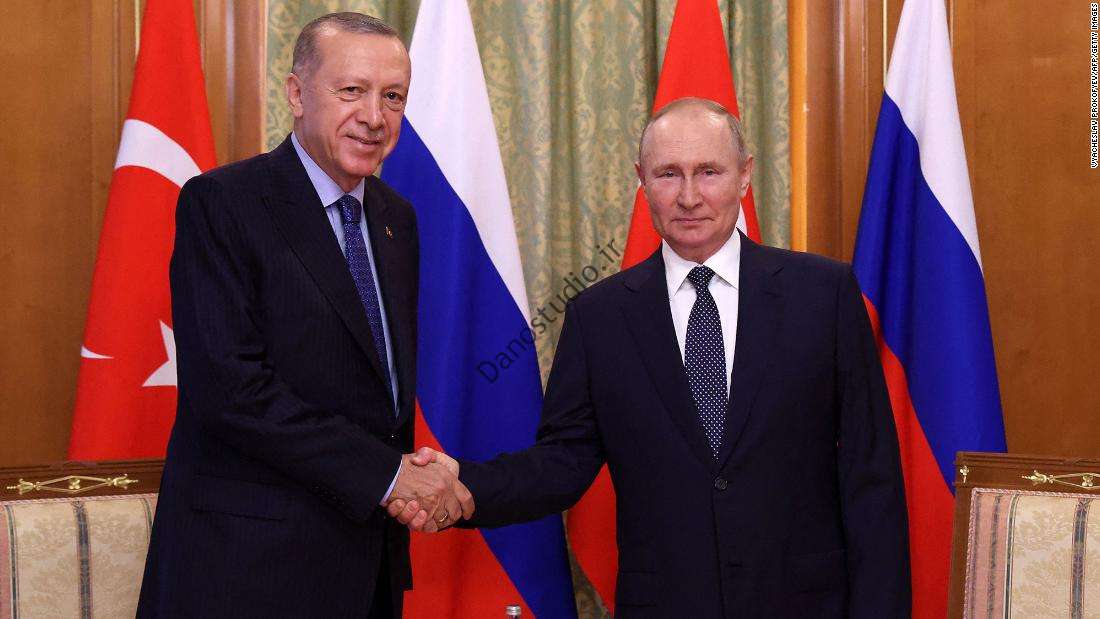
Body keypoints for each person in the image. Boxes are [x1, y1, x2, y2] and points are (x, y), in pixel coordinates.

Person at [392, 97, 911, 617]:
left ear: (745, 176)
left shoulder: (823, 295)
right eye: (668, 174)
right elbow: (562, 463)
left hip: (806, 604)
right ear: (642, 180)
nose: (689, 196)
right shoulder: (600, 317)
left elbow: (872, 476)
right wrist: (461, 486)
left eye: (709, 171)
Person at [138, 13, 472, 618]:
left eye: (392, 96)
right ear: (296, 93)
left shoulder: (398, 220)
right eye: (351, 90)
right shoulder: (223, 204)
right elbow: (231, 391)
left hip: (366, 564)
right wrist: (390, 477)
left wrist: (407, 475)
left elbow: (378, 392)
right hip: (249, 571)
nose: (374, 116)